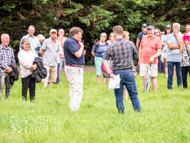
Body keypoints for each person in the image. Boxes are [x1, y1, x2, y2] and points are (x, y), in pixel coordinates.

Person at [103, 25, 141, 113]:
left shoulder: (111, 46)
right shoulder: (130, 44)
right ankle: (138, 113)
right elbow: (136, 57)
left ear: (114, 35)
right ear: (123, 33)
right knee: (134, 95)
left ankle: (121, 113)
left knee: (118, 96)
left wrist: (109, 73)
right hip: (128, 72)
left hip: (116, 73)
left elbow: (104, 60)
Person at [64, 27, 85, 111]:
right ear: (75, 34)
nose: (81, 36)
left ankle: (73, 107)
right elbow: (78, 54)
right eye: (80, 34)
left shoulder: (73, 42)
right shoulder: (70, 42)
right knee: (77, 89)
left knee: (74, 88)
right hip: (74, 68)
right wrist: (82, 46)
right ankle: (74, 109)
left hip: (74, 68)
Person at [139, 25, 162, 92]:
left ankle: (154, 91)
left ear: (153, 31)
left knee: (153, 77)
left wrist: (153, 57)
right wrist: (139, 58)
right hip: (143, 60)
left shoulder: (157, 39)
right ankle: (146, 91)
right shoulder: (144, 37)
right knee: (144, 77)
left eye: (150, 30)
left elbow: (159, 52)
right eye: (148, 30)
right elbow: (140, 48)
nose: (149, 31)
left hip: (153, 61)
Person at [167, 23, 183, 89]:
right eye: (174, 27)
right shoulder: (169, 36)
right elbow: (170, 46)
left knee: (179, 73)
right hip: (170, 57)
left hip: (179, 57)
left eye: (177, 27)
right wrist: (179, 46)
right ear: (172, 28)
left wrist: (177, 36)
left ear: (179, 28)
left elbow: (182, 45)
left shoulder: (182, 36)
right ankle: (169, 86)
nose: (175, 28)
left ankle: (180, 85)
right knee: (170, 73)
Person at [0, 34, 16, 100]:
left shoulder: (10, 50)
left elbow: (13, 60)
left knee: (8, 88)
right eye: (6, 38)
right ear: (2, 40)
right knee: (0, 87)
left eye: (8, 38)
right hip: (1, 71)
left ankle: (8, 102)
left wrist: (11, 68)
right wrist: (6, 67)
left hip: (10, 71)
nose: (8, 40)